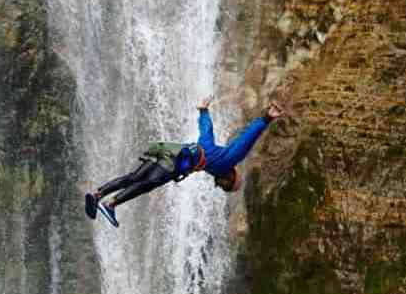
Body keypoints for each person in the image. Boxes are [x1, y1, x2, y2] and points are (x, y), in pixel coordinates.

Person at [84, 97, 285, 227]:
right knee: (146, 184)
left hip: (167, 150)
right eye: (228, 185)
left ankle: (97, 194)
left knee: (135, 177)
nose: (223, 185)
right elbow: (245, 140)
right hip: (175, 161)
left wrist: (203, 111)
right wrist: (266, 118)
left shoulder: (208, 154)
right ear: (231, 174)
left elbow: (206, 131)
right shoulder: (227, 161)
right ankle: (111, 204)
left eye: (225, 188)